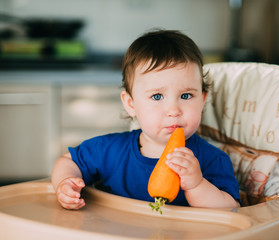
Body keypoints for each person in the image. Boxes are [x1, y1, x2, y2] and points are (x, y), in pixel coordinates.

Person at [51, 29, 240, 210]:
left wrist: (197, 185)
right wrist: (65, 184)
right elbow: (68, 161)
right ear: (131, 104)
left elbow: (231, 209)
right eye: (157, 96)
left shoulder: (213, 159)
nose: (173, 111)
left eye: (186, 96)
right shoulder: (112, 151)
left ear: (202, 100)